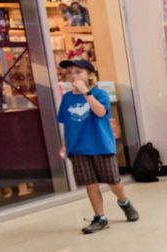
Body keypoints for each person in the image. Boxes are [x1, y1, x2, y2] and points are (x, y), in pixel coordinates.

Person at [56, 59, 139, 234]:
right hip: (78, 149)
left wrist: (86, 92)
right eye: (69, 72)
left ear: (90, 75)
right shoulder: (67, 98)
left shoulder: (99, 94)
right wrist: (64, 146)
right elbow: (68, 124)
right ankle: (100, 217)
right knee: (90, 184)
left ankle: (124, 202)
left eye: (78, 72)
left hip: (101, 146)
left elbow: (100, 112)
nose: (73, 76)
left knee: (113, 181)